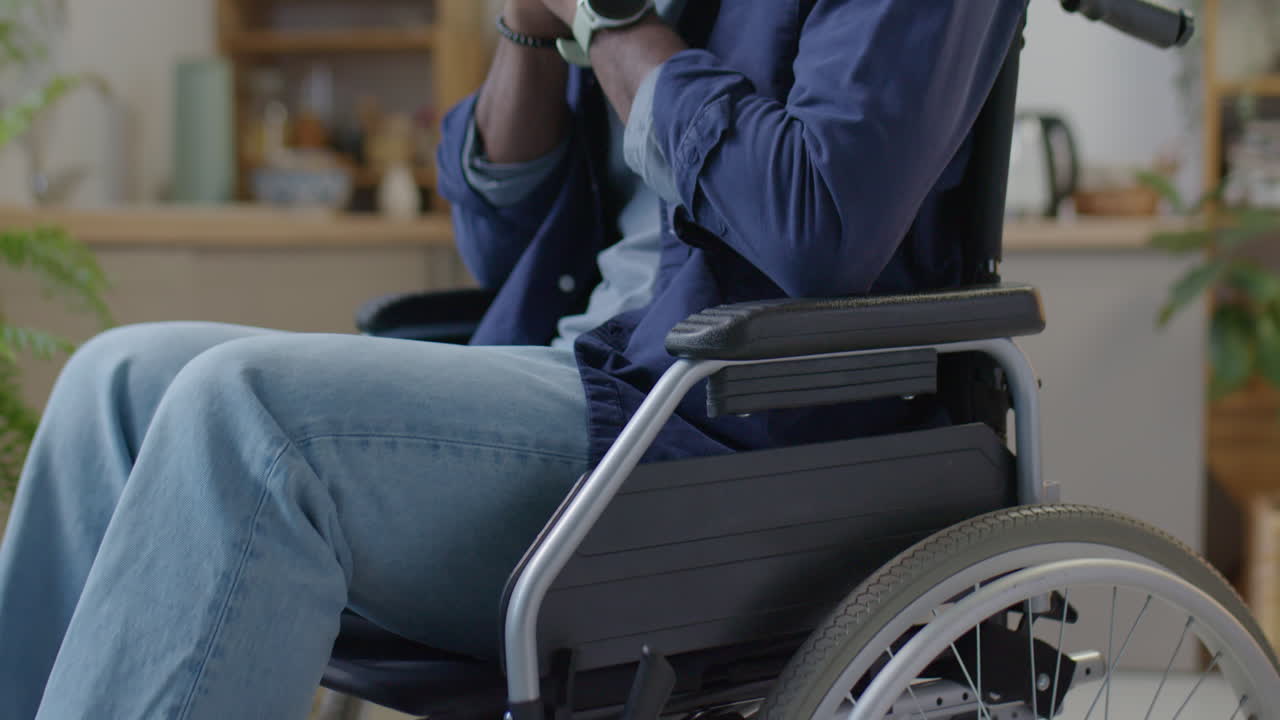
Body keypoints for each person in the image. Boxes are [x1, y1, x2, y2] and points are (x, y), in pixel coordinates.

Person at [0, 1, 1025, 717]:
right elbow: (500, 247)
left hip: (718, 418)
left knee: (247, 417)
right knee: (114, 379)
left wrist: (619, 21)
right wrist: (531, 28)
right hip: (576, 364)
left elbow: (820, 225)